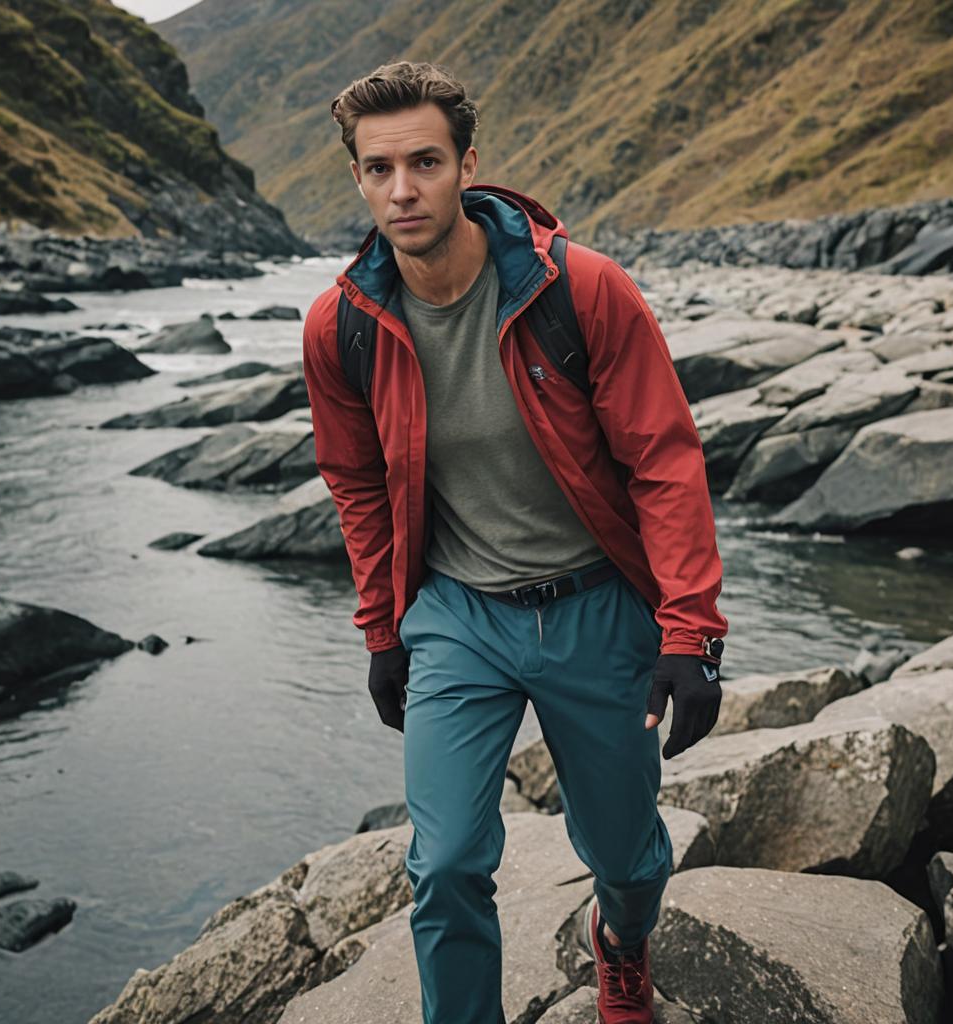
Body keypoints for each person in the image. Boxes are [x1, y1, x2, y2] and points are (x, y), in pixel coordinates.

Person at [302, 60, 728, 1024]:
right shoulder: (343, 326)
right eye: (378, 169)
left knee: (623, 853)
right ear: (358, 178)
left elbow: (665, 460)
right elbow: (357, 485)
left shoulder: (580, 290)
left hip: (596, 607)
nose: (401, 190)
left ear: (467, 166)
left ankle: (620, 939)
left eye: (423, 162)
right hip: (457, 618)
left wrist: (689, 631)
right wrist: (382, 633)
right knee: (446, 862)